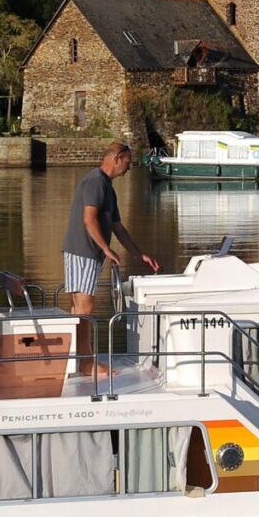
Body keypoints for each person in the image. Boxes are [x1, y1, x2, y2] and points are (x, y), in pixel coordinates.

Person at [63, 142, 158, 357]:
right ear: (117, 158)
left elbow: (117, 226)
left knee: (79, 308)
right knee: (83, 308)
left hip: (88, 252)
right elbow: (89, 219)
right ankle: (85, 361)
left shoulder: (107, 187)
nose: (129, 167)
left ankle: (74, 357)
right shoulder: (96, 182)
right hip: (83, 250)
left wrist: (137, 253)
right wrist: (106, 248)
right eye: (128, 162)